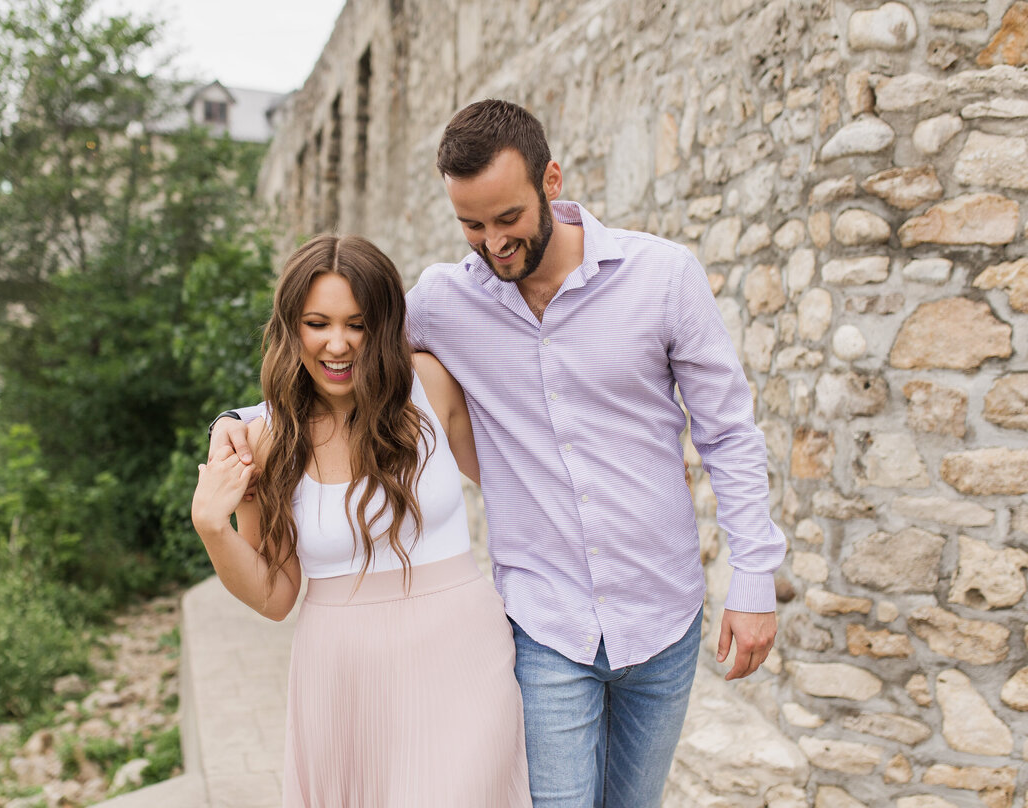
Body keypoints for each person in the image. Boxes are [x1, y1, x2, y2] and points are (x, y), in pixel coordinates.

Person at [211, 100, 786, 807]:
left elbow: (728, 432)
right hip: (544, 621)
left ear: (551, 181)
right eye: (471, 225)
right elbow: (343, 353)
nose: (493, 243)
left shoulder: (663, 277)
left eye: (507, 219)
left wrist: (755, 579)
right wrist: (240, 420)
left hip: (664, 611)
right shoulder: (445, 302)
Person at [191, 233, 531, 807]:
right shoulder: (268, 441)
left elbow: (519, 481)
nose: (338, 344)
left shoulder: (433, 385)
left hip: (463, 655)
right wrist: (210, 526)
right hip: (341, 679)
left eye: (358, 323)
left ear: (385, 325)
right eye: (317, 323)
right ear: (290, 328)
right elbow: (274, 596)